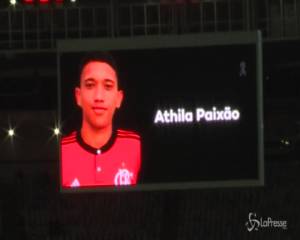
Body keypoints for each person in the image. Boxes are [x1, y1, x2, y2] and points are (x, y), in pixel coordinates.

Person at [61, 52, 141, 188]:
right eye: (90, 85)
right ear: (78, 96)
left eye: (108, 86)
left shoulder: (136, 144)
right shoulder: (62, 150)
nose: (99, 96)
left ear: (119, 98)